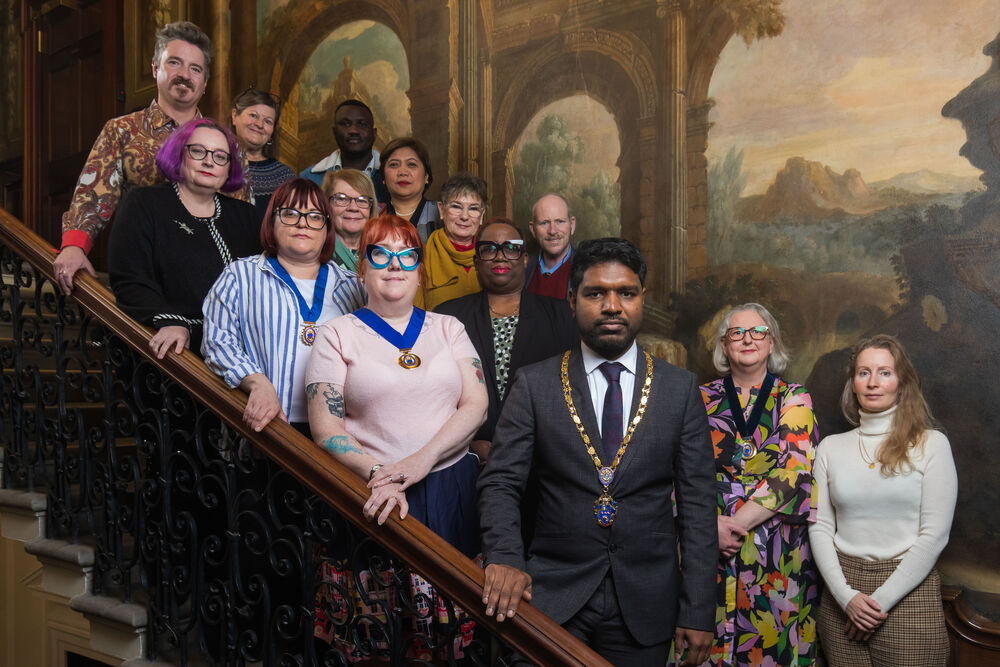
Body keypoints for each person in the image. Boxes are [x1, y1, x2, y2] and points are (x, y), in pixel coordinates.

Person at [478, 238, 717, 667]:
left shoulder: (679, 389)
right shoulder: (535, 384)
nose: (612, 306)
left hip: (646, 601)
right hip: (551, 594)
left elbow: (698, 504)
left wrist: (698, 608)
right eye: (595, 293)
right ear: (572, 301)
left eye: (626, 293)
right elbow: (500, 482)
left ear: (642, 299)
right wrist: (505, 558)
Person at [305, 214, 487, 553]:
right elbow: (326, 429)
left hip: (450, 482)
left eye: (407, 255)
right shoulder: (335, 334)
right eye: (380, 253)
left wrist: (421, 460)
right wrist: (382, 475)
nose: (394, 264)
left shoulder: (449, 327)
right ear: (362, 269)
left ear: (420, 273)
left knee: (456, 580)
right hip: (375, 486)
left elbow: (477, 404)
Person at [54, 21, 250, 295]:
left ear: (204, 83)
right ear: (155, 69)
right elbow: (93, 195)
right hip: (143, 271)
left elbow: (242, 217)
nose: (185, 74)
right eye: (174, 63)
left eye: (195, 69)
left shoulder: (226, 144)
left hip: (212, 281)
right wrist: (75, 245)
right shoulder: (121, 131)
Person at [809, 334, 957, 666]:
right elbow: (819, 527)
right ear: (853, 383)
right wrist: (846, 598)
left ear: (901, 383)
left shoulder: (931, 444)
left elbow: (935, 535)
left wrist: (878, 603)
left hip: (907, 595)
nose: (873, 382)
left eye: (885, 372)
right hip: (841, 595)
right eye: (864, 373)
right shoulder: (830, 448)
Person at [699, 303, 820, 667]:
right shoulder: (698, 397)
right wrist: (708, 527)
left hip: (776, 550)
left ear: (772, 343)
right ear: (724, 345)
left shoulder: (794, 397)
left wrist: (732, 526)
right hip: (707, 542)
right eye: (736, 332)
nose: (747, 339)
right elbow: (677, 470)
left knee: (770, 648)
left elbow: (794, 471)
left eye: (758, 332)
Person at [201, 178, 365, 434]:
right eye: (290, 213)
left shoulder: (354, 287)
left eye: (314, 216)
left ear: (327, 228)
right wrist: (256, 381)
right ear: (271, 221)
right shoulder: (240, 276)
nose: (302, 223)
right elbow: (217, 342)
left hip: (340, 433)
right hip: (269, 427)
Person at [108, 118, 260, 359]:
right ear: (179, 155)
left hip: (243, 350)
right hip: (178, 348)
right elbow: (130, 279)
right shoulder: (144, 203)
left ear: (229, 168)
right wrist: (170, 321)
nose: (209, 161)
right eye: (198, 151)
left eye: (220, 156)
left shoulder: (246, 216)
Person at [436, 217, 577, 466]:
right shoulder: (447, 317)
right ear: (476, 261)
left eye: (511, 248)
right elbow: (434, 395)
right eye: (489, 249)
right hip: (467, 462)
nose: (500, 256)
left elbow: (574, 395)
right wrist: (467, 444)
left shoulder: (562, 315)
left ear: (525, 259)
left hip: (543, 463)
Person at [420, 173, 487, 311]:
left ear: (481, 216)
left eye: (473, 208)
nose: (464, 216)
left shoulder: (491, 256)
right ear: (441, 210)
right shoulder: (421, 258)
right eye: (456, 207)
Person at [299, 99, 388, 202]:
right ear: (334, 132)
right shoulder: (309, 178)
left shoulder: (390, 177)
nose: (353, 131)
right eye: (345, 124)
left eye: (362, 124)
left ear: (374, 133)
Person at [231, 87, 295, 220]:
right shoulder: (216, 163)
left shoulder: (284, 176)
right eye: (253, 115)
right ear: (234, 116)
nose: (260, 124)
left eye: (268, 121)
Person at [379, 137, 441, 243]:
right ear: (383, 177)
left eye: (411, 164)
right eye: (394, 165)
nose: (403, 172)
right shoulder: (371, 214)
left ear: (426, 176)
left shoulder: (443, 213)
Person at [320, 168, 377, 273]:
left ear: (371, 208)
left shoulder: (383, 250)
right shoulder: (316, 251)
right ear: (327, 204)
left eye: (362, 200)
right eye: (342, 199)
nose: (353, 208)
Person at [525, 192, 576, 299]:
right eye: (544, 223)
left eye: (560, 221)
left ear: (572, 225)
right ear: (533, 229)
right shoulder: (522, 269)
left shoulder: (588, 269)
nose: (552, 231)